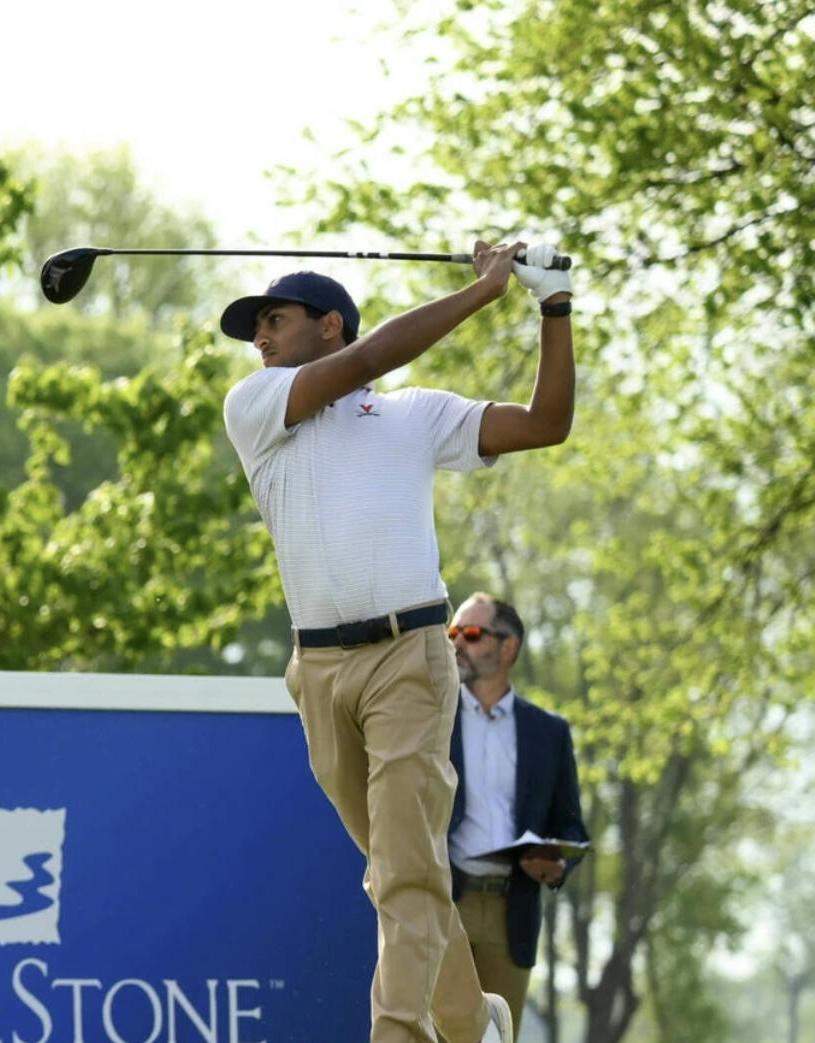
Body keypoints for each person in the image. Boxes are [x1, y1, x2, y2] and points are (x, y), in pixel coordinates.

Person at [220, 240, 574, 1043]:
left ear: (329, 323)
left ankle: (400, 1033)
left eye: (275, 319)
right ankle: (473, 1022)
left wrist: (553, 306)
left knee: (408, 869)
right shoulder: (257, 404)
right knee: (395, 871)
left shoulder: (414, 415)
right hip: (317, 671)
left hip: (409, 658)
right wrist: (482, 292)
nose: (260, 337)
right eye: (256, 328)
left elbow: (546, 422)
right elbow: (371, 356)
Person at [446, 593, 589, 1039]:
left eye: (471, 634)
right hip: (445, 904)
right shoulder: (431, 717)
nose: (457, 643)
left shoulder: (548, 732)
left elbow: (570, 826)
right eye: (452, 633)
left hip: (514, 912)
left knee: (497, 1038)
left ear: (508, 647)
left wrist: (557, 865)